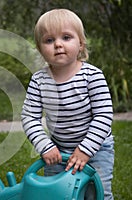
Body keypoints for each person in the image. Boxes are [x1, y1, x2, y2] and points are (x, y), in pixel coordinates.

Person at [21, 9, 114, 199]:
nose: (58, 44)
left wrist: (85, 150)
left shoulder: (92, 76)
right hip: (57, 150)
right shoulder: (39, 80)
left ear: (80, 44)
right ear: (40, 49)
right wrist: (44, 145)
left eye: (66, 37)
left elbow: (103, 117)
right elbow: (29, 117)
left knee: (97, 192)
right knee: (57, 193)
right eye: (49, 40)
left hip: (96, 148)